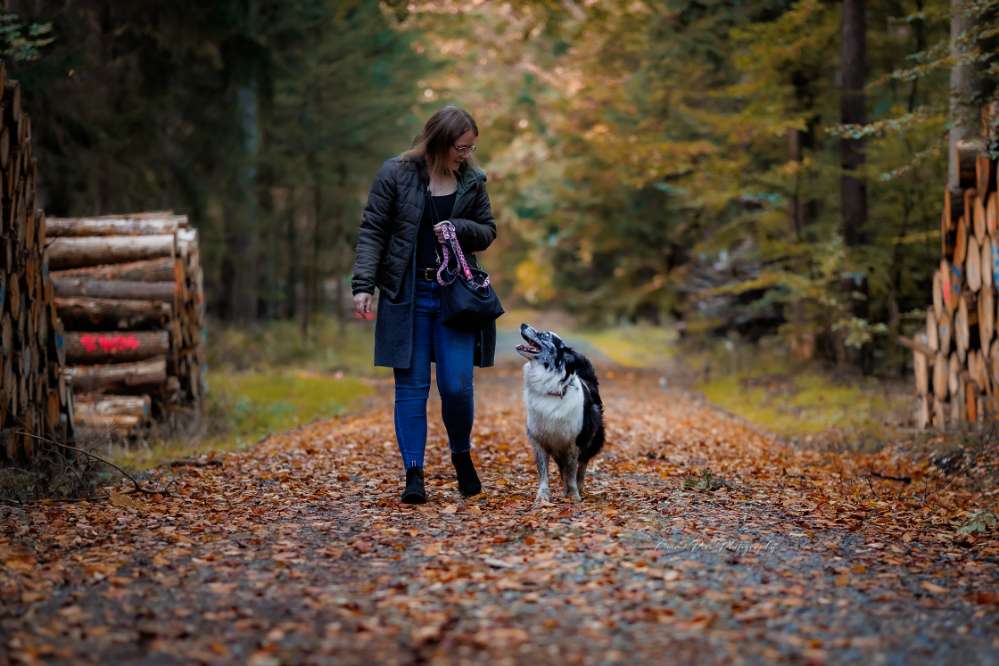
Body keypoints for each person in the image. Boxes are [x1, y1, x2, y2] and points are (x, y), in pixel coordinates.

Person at [351, 105, 497, 504]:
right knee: (412, 388)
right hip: (407, 296)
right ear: (438, 142)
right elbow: (373, 232)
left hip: (455, 300)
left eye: (470, 148)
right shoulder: (395, 174)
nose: (465, 155)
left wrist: (458, 228)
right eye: (460, 148)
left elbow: (487, 231)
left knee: (456, 387)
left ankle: (461, 454)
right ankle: (413, 475)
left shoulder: (472, 180)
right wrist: (363, 285)